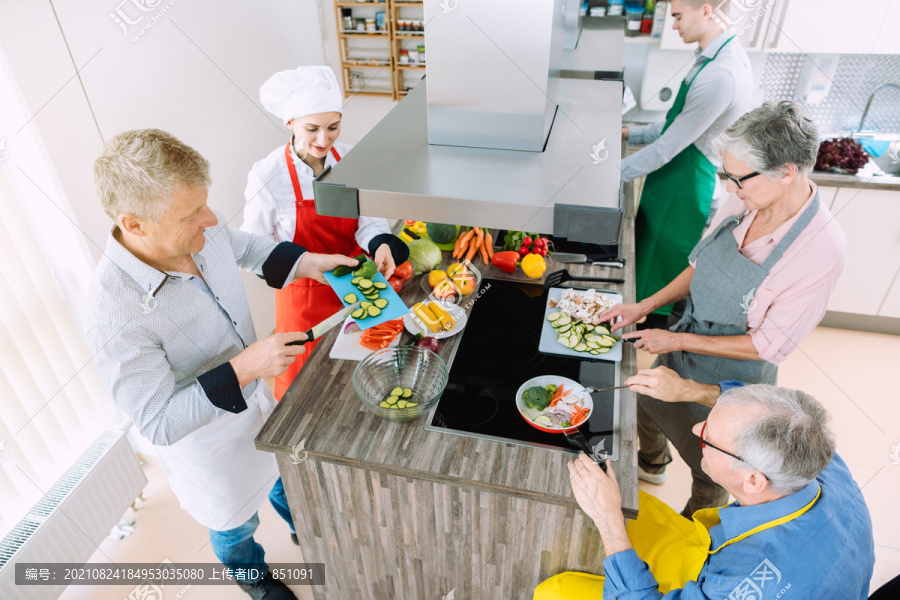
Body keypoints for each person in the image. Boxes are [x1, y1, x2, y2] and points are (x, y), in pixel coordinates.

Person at [87, 129, 358, 600]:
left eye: (205, 205)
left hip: (257, 403)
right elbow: (158, 421)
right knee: (235, 524)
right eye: (192, 215)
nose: (211, 221)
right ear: (134, 225)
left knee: (278, 473)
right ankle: (255, 581)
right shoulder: (115, 314)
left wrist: (310, 263)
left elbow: (247, 248)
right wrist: (244, 369)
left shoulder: (202, 230)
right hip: (208, 447)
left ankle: (302, 529)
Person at [600, 101, 846, 515]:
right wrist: (644, 305)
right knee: (645, 401)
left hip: (733, 378)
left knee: (712, 468)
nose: (729, 189)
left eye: (738, 179)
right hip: (686, 340)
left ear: (786, 172)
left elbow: (767, 345)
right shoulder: (746, 200)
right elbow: (700, 266)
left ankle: (696, 538)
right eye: (726, 175)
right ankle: (652, 462)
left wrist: (675, 337)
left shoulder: (821, 250)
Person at [534, 383, 875, 599]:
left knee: (553, 591)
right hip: (735, 557)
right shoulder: (812, 450)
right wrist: (688, 389)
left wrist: (609, 522)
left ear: (753, 480)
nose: (696, 427)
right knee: (637, 506)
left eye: (707, 436)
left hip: (743, 580)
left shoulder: (750, 583)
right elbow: (752, 401)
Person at [241, 65, 408, 399]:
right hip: (304, 297)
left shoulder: (350, 158)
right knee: (310, 387)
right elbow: (251, 251)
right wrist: (303, 263)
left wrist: (380, 245)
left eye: (333, 127)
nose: (323, 139)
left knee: (368, 372)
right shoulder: (267, 176)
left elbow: (367, 218)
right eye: (311, 129)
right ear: (289, 123)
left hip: (359, 281)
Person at [621, 0, 753, 329]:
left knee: (656, 288)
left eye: (678, 16)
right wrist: (626, 132)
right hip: (671, 181)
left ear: (707, 10)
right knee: (643, 275)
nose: (674, 25)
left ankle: (638, 363)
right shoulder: (708, 60)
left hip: (684, 188)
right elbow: (674, 126)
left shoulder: (721, 75)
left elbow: (667, 147)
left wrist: (607, 175)